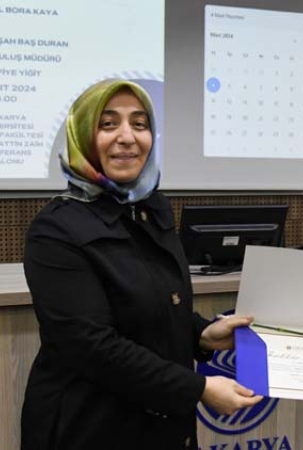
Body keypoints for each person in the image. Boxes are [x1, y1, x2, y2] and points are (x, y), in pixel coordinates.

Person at [21, 79, 262, 450]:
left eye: (139, 123)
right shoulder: (55, 230)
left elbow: (155, 306)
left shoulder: (153, 209)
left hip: (164, 427)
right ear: (82, 135)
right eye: (108, 124)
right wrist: (197, 388)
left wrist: (201, 334)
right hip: (89, 427)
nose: (127, 137)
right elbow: (92, 346)